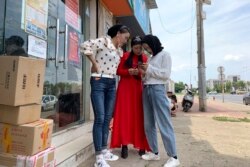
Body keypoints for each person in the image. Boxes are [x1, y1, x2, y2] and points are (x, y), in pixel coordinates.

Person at [80, 24, 130, 167]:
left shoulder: (119, 50)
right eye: (125, 37)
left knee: (107, 118)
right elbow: (84, 46)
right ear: (118, 34)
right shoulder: (103, 41)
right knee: (100, 118)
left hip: (111, 82)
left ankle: (104, 149)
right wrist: (94, 63)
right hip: (98, 80)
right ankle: (98, 158)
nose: (126, 41)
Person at [138, 35, 180, 167]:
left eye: (147, 47)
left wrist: (149, 69)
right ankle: (154, 152)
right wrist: (143, 72)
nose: (147, 50)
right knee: (148, 123)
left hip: (157, 90)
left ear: (153, 43)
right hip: (147, 89)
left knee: (164, 122)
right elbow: (150, 76)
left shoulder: (164, 55)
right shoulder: (151, 58)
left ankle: (174, 157)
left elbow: (165, 75)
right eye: (145, 48)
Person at [110, 36, 150, 159]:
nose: (138, 50)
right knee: (124, 117)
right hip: (125, 90)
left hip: (138, 90)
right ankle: (124, 145)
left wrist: (141, 72)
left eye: (140, 48)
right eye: (136, 48)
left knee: (139, 117)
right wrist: (128, 72)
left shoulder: (144, 58)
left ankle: (141, 146)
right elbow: (118, 71)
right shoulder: (126, 56)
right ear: (131, 47)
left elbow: (147, 74)